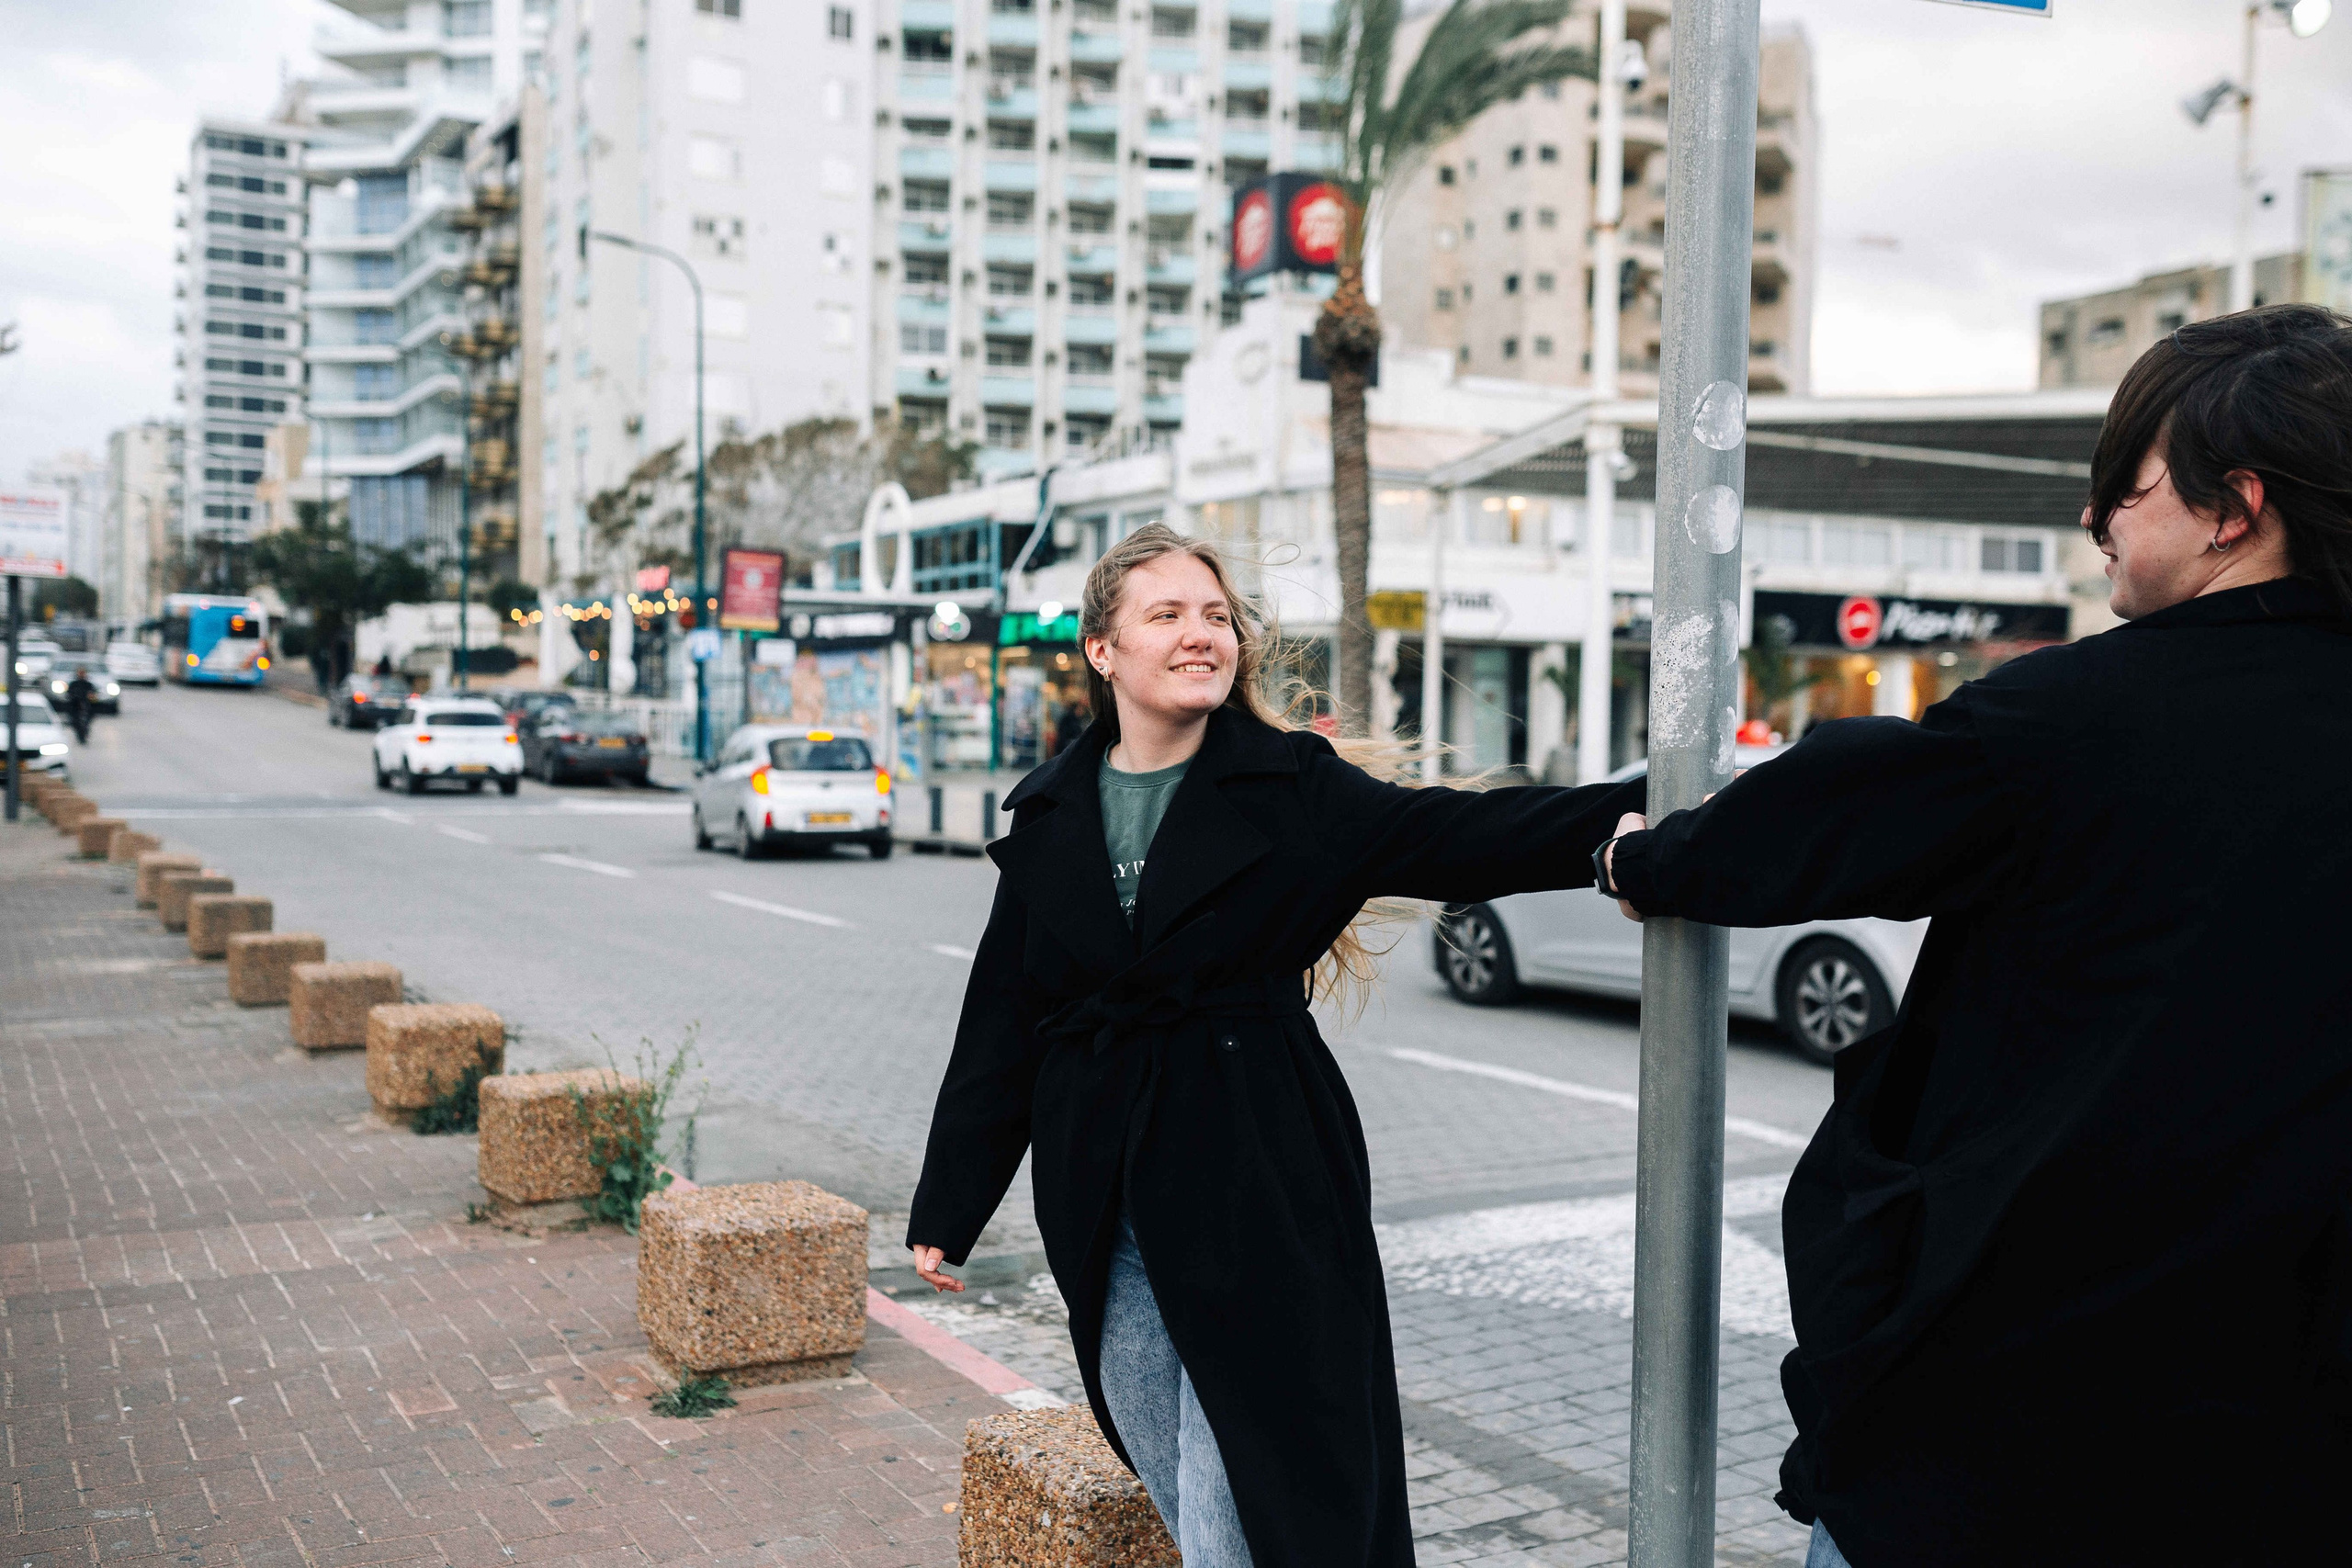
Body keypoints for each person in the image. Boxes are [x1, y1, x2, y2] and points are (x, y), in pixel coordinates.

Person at [1595, 304, 2352, 1566]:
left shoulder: (2075, 718)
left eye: (2126, 483)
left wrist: (1644, 853)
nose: (2096, 517)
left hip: (2017, 1414)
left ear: (2235, 508)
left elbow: (1824, 815)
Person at [905, 524, 1646, 1566]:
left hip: (1256, 1175)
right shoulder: (1051, 813)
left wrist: (1620, 832)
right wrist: (951, 1201)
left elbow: (1450, 834)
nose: (1201, 634)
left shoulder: (1293, 786)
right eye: (1166, 615)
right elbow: (1002, 1018)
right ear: (1102, 649)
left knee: (1258, 1499)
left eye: (1217, 616)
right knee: (1166, 1471)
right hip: (1101, 1190)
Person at [62, 668, 96, 743]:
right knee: (75, 722)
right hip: (74, 707)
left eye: (83, 673)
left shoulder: (88, 685)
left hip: (86, 707)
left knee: (85, 723)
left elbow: (93, 696)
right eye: (80, 673)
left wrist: (90, 698)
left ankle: (84, 734)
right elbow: (68, 695)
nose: (82, 675)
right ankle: (80, 735)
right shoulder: (73, 684)